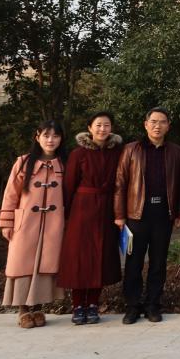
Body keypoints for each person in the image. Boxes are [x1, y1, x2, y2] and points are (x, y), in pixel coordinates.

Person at [114, 107, 180, 324]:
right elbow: (120, 183)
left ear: (168, 126)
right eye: (153, 121)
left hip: (163, 216)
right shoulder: (131, 150)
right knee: (134, 263)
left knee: (158, 263)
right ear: (145, 125)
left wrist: (179, 212)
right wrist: (119, 215)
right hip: (136, 215)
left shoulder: (176, 152)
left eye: (162, 122)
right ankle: (132, 306)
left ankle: (153, 305)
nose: (157, 126)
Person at [0, 121, 68, 329]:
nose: (50, 140)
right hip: (25, 222)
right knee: (22, 263)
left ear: (61, 139)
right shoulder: (23, 162)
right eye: (46, 135)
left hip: (53, 223)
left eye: (55, 136)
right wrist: (7, 222)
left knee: (46, 263)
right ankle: (23, 310)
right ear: (37, 137)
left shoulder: (65, 163)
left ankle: (38, 308)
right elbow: (11, 194)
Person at [58, 112, 124, 325]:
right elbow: (69, 185)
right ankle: (78, 305)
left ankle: (94, 304)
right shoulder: (78, 153)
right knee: (79, 258)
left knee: (101, 257)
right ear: (89, 128)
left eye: (106, 125)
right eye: (98, 125)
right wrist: (67, 215)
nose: (102, 129)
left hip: (107, 210)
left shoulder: (118, 152)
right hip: (81, 210)